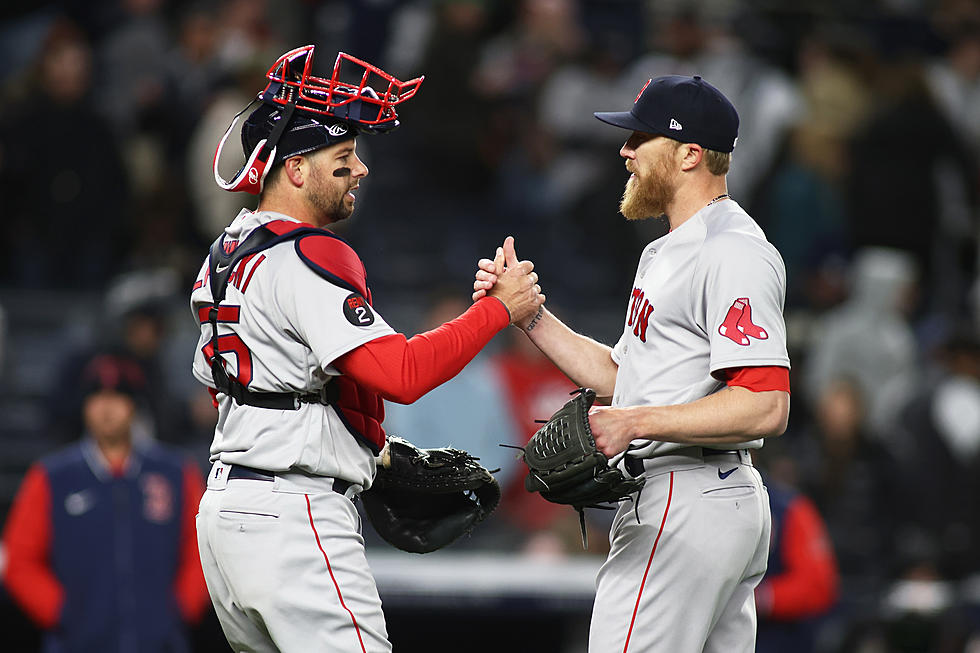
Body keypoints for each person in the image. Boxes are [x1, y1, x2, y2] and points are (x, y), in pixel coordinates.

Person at [190, 45, 543, 653]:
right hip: (293, 514)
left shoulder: (227, 250)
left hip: (227, 512)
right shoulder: (312, 253)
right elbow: (400, 374)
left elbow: (251, 381)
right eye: (343, 156)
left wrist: (372, 450)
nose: (361, 169)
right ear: (295, 168)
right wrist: (498, 310)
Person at [474, 75, 791, 652]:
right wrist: (528, 317)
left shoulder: (732, 250)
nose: (625, 151)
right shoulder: (666, 249)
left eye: (640, 137)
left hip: (688, 494)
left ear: (690, 154)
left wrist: (636, 422)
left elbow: (766, 404)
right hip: (699, 495)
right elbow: (624, 379)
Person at [1, 353, 209, 652]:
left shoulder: (175, 472)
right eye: (97, 397)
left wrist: (179, 609)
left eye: (119, 396)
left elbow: (202, 551)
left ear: (134, 406)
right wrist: (62, 612)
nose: (107, 407)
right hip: (77, 644)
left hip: (161, 644)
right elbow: (19, 561)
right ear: (84, 406)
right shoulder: (51, 477)